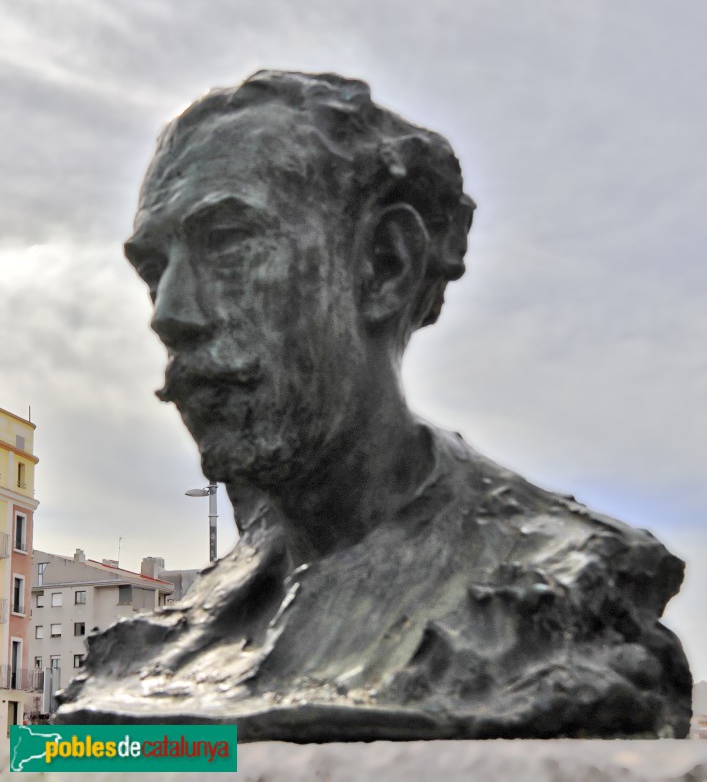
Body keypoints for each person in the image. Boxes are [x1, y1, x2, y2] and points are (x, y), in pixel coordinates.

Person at [56, 71, 691, 739]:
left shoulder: (552, 595)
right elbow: (85, 753)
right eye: (154, 270)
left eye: (228, 242)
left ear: (384, 265)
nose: (169, 313)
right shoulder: (159, 649)